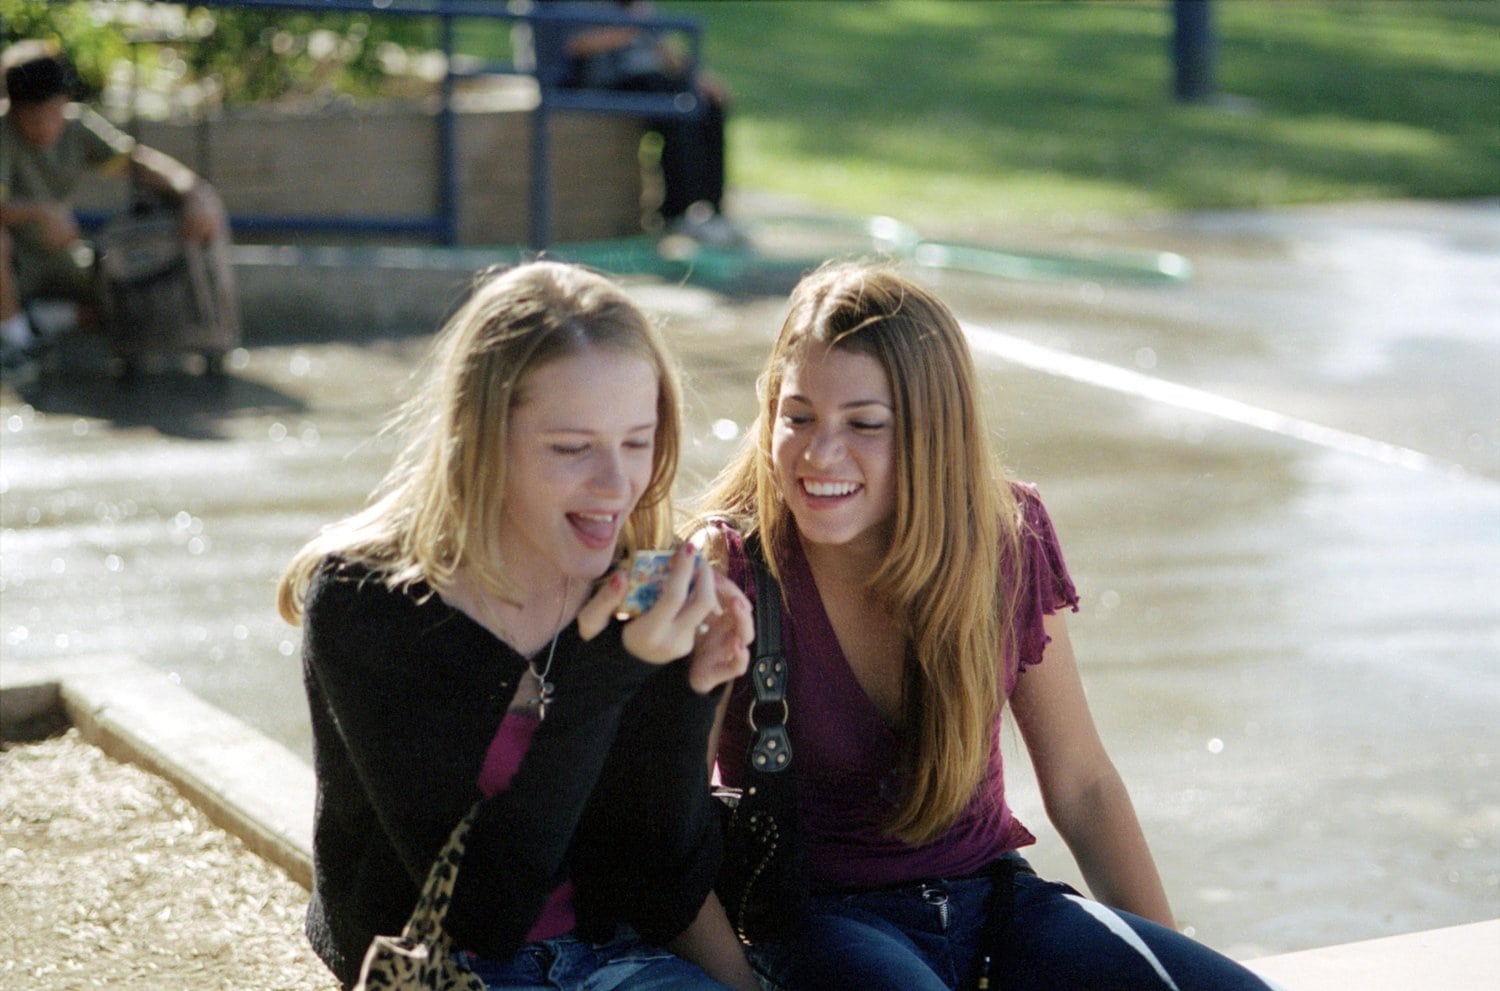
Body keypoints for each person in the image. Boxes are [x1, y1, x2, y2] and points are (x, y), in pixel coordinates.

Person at [693, 261, 1277, 991]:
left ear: (934, 431)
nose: (819, 453)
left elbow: (1083, 782)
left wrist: (1163, 961)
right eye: (798, 415)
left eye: (864, 423)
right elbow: (663, 826)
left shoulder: (1008, 535)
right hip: (818, 922)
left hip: (993, 901)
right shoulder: (729, 566)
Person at [276, 261, 760, 991]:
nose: (616, 484)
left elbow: (660, 878)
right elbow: (484, 913)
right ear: (480, 439)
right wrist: (609, 669)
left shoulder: (640, 580)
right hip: (448, 967)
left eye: (637, 441)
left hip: (617, 956)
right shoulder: (366, 603)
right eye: (572, 448)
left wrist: (691, 693)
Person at [0, 41, 230, 377]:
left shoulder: (78, 128)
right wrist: (42, 212)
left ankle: (39, 319)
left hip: (56, 257)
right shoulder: (2, 133)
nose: (42, 128)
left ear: (64, 103)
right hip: (12, 262)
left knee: (123, 303)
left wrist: (193, 191)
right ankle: (16, 343)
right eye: (31, 119)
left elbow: (137, 162)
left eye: (50, 115)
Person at [527, 1, 742, 247]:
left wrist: (699, 78)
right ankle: (679, 211)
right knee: (670, 100)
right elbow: (566, 44)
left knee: (705, 103)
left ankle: (711, 210)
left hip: (638, 76)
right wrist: (625, 31)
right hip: (587, 79)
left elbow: (659, 41)